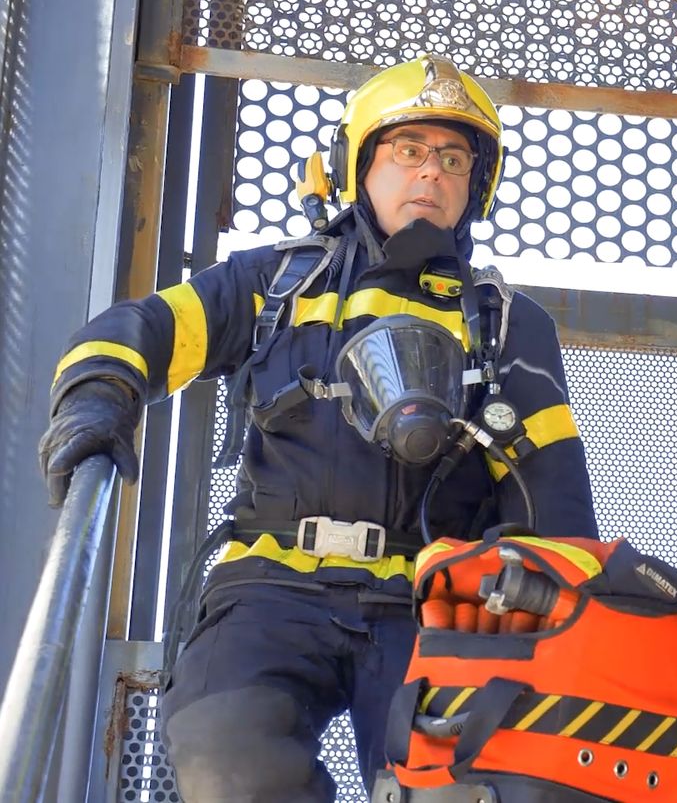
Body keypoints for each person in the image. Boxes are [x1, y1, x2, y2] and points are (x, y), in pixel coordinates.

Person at [38, 54, 598, 800]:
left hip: (432, 611)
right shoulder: (272, 282)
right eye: (408, 150)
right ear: (356, 164)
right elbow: (142, 328)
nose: (430, 173)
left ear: (476, 186)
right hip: (269, 591)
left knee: (462, 788)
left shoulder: (508, 326)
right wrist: (97, 395)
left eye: (453, 158)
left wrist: (542, 635)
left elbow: (553, 505)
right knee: (226, 753)